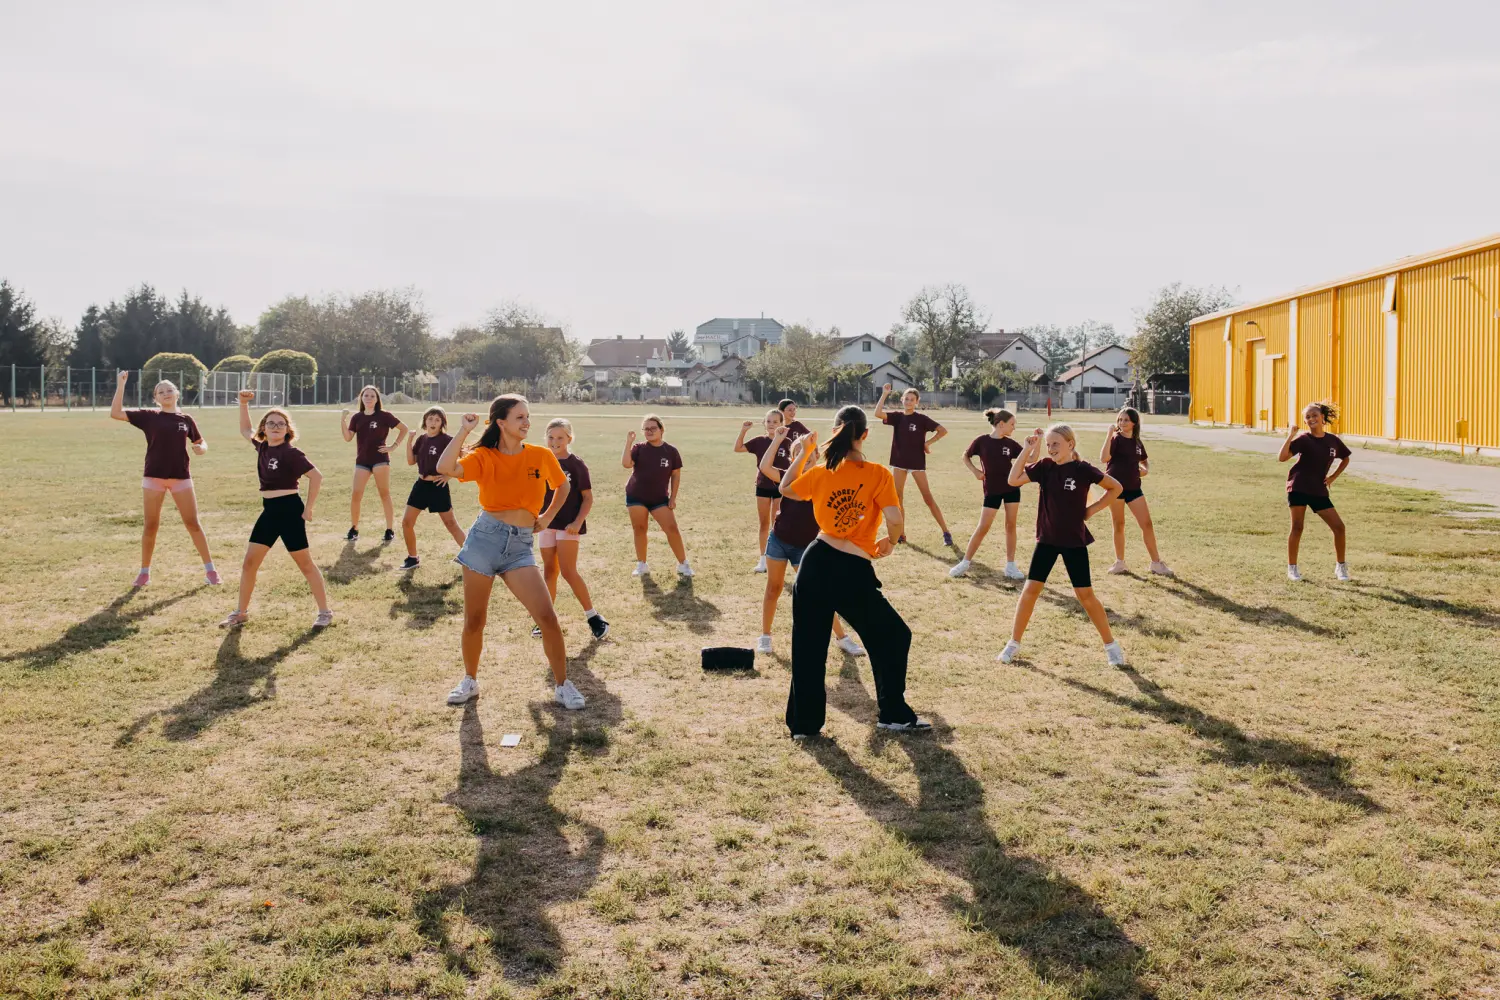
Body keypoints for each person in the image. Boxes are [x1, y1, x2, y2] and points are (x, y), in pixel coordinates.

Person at [779, 405, 930, 739]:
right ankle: (893, 713)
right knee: (893, 635)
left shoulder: (819, 471)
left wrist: (804, 453)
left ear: (835, 432)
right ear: (865, 434)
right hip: (849, 568)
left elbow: (785, 489)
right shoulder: (877, 473)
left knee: (808, 646)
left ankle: (804, 726)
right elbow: (894, 518)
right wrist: (891, 542)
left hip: (815, 562)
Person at [436, 395, 585, 710]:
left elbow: (563, 487)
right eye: (519, 417)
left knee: (546, 616)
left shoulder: (541, 455)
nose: (527, 422)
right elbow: (445, 467)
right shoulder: (484, 457)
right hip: (484, 541)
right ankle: (470, 680)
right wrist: (463, 431)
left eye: (528, 416)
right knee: (475, 620)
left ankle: (563, 685)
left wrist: (545, 518)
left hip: (519, 546)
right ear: (501, 422)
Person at [996, 424, 1125, 668]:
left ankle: (1111, 646)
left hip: (1073, 541)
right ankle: (1013, 643)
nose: (1051, 448)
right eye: (1048, 444)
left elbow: (1115, 487)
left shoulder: (1082, 469)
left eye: (1056, 444)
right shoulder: (1044, 467)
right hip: (1046, 540)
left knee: (1085, 596)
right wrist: (1027, 449)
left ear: (1070, 444)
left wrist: (1091, 510)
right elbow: (1013, 480)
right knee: (1030, 591)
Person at [219, 390, 332, 629]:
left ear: (288, 430)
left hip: (290, 511)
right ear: (264, 428)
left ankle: (324, 612)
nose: (276, 427)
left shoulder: (291, 453)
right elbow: (244, 430)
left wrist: (308, 509)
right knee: (250, 563)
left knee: (305, 564)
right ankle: (240, 612)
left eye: (281, 424)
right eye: (271, 423)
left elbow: (316, 476)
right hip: (269, 511)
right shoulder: (262, 448)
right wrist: (242, 404)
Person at [755, 426, 865, 658]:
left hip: (804, 546)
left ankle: (842, 638)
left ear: (817, 458)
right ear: (795, 458)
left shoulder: (822, 478)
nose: (807, 459)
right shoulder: (787, 476)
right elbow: (764, 467)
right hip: (779, 540)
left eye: (812, 455)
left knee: (819, 593)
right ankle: (765, 636)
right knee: (773, 588)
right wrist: (777, 439)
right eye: (801, 455)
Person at [109, 370, 219, 587]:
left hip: (181, 477)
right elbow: (115, 413)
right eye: (161, 392)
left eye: (170, 390)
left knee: (193, 524)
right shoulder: (149, 416)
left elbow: (201, 442)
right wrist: (121, 385)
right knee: (150, 525)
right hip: (153, 477)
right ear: (156, 398)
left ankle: (211, 571)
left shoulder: (186, 419)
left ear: (177, 394)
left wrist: (201, 449)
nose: (166, 393)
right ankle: (144, 572)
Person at [537, 418, 609, 640]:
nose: (555, 441)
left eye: (560, 437)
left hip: (568, 526)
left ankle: (593, 617)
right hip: (546, 524)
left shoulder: (576, 464)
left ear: (569, 438)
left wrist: (577, 523)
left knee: (568, 571)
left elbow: (587, 498)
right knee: (549, 571)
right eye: (551, 437)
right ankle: (545, 620)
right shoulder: (541, 460)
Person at [1279, 401, 1352, 582]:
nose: (1311, 419)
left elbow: (1346, 458)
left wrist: (1333, 477)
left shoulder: (1333, 440)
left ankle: (1341, 567)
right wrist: (1290, 435)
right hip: (1298, 487)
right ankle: (1292, 569)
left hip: (1318, 490)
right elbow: (1282, 458)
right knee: (1297, 527)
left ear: (1322, 418)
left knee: (1339, 527)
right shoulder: (1303, 439)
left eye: (1314, 415)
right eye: (1308, 417)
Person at [950, 407, 1026, 580]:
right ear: (1001, 424)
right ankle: (965, 562)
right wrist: (975, 471)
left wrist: (1035, 444)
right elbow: (965, 456)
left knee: (1011, 525)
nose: (1014, 427)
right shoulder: (982, 441)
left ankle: (1010, 566)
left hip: (1012, 489)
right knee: (983, 526)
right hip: (992, 490)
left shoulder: (1010, 443)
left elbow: (1030, 458)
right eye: (1012, 424)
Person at [873, 384, 952, 545]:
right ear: (902, 400)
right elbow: (877, 413)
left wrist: (927, 443)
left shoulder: (921, 419)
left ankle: (946, 532)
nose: (908, 402)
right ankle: (901, 534)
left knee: (928, 498)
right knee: (898, 498)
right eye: (906, 399)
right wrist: (885, 394)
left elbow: (942, 430)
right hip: (899, 463)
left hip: (916, 463)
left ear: (917, 402)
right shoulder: (897, 417)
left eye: (912, 399)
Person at [1102, 407, 1174, 577]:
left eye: (1126, 420)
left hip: (1134, 488)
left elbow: (1144, 462)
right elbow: (1104, 458)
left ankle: (1156, 563)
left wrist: (1145, 470)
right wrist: (1108, 435)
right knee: (1119, 524)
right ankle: (1120, 563)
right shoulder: (1116, 439)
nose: (1122, 423)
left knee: (1147, 524)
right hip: (1116, 487)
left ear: (1134, 423)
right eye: (1120, 419)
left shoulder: (1137, 442)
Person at [621, 414, 693, 578]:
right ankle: (641, 564)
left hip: (659, 498)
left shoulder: (671, 451)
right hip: (636, 496)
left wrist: (673, 497)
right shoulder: (639, 448)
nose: (649, 431)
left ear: (661, 430)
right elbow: (626, 464)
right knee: (639, 529)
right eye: (646, 429)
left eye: (653, 428)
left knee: (672, 529)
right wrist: (628, 442)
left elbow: (675, 475)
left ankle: (683, 564)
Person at [399, 406, 466, 570]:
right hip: (421, 485)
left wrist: (449, 475)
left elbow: (464, 458)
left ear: (442, 423)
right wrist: (409, 441)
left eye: (437, 419)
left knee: (450, 523)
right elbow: (411, 461)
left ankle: (470, 556)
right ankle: (412, 558)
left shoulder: (447, 440)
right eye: (430, 418)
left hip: (438, 486)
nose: (433, 422)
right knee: (407, 522)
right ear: (425, 421)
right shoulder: (421, 439)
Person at [340, 385, 408, 542]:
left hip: (380, 460)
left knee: (384, 494)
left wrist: (393, 446)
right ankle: (354, 528)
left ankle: (389, 529)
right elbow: (348, 437)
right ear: (361, 398)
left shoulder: (384, 416)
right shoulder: (357, 417)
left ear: (377, 399)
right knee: (356, 494)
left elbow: (403, 429)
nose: (369, 398)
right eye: (366, 395)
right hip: (362, 461)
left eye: (372, 396)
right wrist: (343, 420)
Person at [734, 408, 789, 572]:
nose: (772, 425)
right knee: (764, 524)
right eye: (769, 421)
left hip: (781, 486)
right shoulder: (759, 441)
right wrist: (743, 430)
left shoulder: (786, 441)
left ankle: (778, 558)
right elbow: (738, 448)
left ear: (781, 423)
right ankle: (763, 560)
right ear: (764, 423)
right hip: (763, 486)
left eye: (775, 422)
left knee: (777, 524)